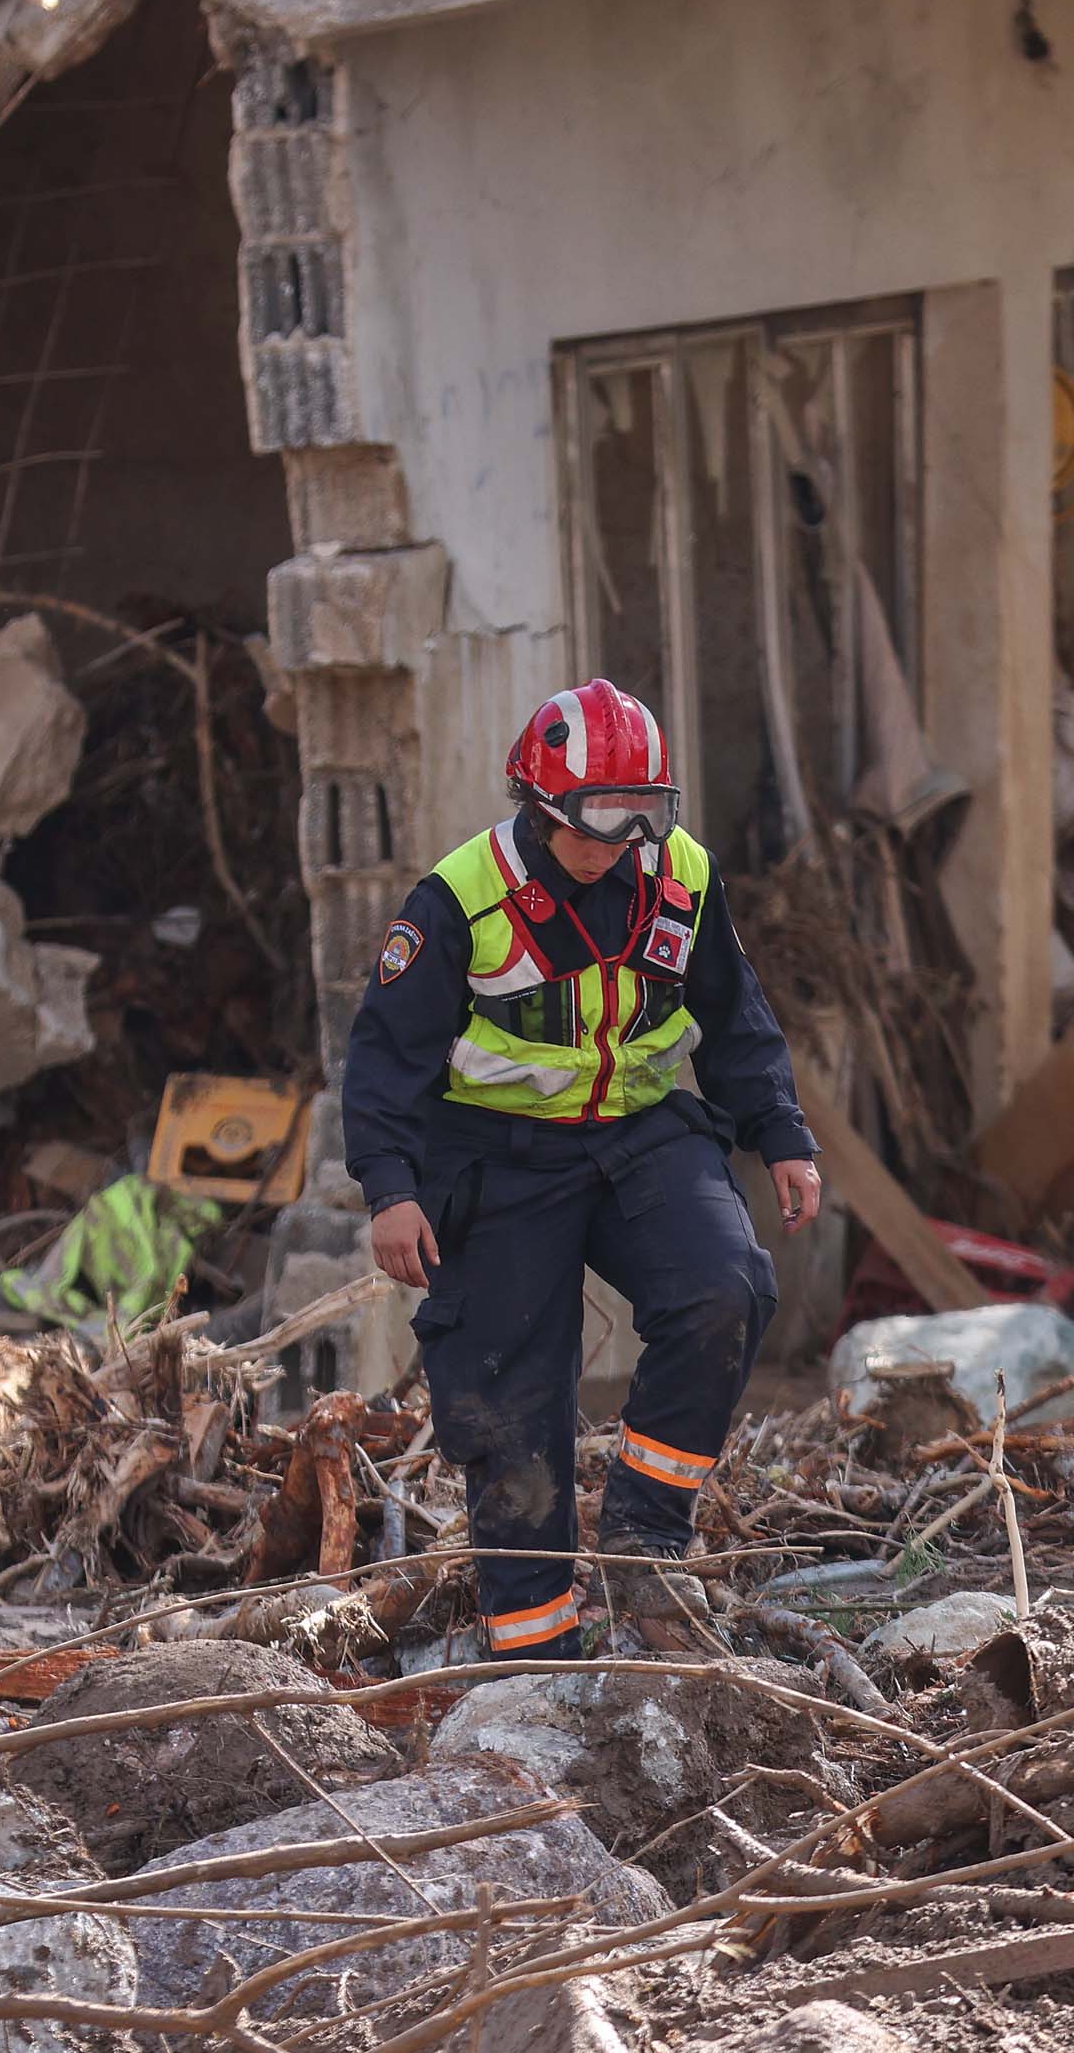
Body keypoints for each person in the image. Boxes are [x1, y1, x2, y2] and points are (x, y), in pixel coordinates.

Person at [340, 678, 824, 1658]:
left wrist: (781, 1132)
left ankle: (646, 1541)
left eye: (641, 818)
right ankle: (532, 1645)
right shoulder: (458, 900)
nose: (618, 844)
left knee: (725, 1288)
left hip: (642, 1130)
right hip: (497, 1154)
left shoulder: (680, 874)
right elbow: (385, 1057)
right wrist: (391, 1190)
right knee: (510, 1394)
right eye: (598, 821)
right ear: (538, 805)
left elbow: (733, 1011)